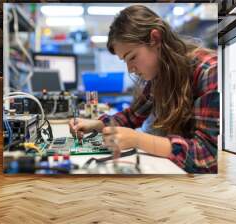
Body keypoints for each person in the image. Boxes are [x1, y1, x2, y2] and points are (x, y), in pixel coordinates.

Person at [69, 5, 219, 173]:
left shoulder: (210, 71)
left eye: (132, 57)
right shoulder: (161, 74)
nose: (130, 69)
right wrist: (96, 124)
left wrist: (138, 140)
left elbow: (208, 155)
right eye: (125, 61)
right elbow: (132, 116)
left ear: (155, 38)